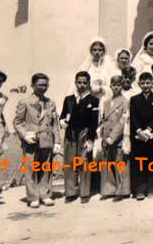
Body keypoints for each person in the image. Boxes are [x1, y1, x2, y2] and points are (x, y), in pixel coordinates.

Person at [13, 73, 62, 208]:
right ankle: (33, 196)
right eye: (40, 85)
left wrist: (57, 141)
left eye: (45, 85)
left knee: (46, 168)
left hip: (47, 139)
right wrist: (24, 135)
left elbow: (55, 123)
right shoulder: (25, 102)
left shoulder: (50, 102)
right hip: (31, 140)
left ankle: (45, 194)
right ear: (32, 85)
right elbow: (17, 122)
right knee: (31, 168)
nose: (43, 87)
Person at [60, 71, 99, 204]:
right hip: (70, 135)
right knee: (70, 162)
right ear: (75, 83)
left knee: (84, 162)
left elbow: (94, 122)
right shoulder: (69, 99)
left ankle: (84, 192)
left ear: (88, 84)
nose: (81, 85)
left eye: (84, 82)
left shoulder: (93, 100)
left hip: (84, 133)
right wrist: (62, 122)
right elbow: (63, 116)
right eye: (79, 82)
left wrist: (90, 139)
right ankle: (70, 192)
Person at [128, 72, 153, 200]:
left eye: (148, 83)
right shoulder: (134, 99)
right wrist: (139, 131)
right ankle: (139, 189)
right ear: (139, 84)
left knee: (152, 162)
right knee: (139, 163)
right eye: (143, 83)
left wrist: (149, 130)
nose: (145, 85)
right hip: (138, 137)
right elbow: (133, 117)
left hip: (152, 136)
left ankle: (152, 188)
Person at [97, 75, 131, 201]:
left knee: (120, 164)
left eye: (119, 85)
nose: (116, 87)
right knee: (108, 163)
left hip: (118, 137)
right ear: (110, 86)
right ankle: (109, 189)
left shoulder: (125, 102)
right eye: (114, 85)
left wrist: (112, 137)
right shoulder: (106, 102)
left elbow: (123, 121)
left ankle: (122, 190)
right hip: (106, 137)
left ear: (122, 87)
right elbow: (104, 120)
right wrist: (102, 135)